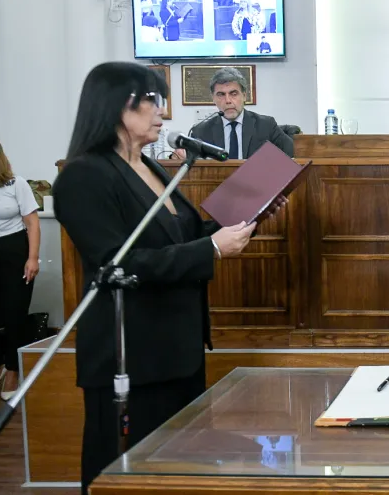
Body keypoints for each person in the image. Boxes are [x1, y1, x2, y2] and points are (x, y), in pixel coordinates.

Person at [52, 62, 282, 494]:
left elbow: (188, 236)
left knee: (179, 469)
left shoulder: (149, 166)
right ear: (117, 106)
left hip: (177, 348)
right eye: (152, 101)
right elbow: (117, 264)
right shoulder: (84, 175)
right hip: (132, 353)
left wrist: (256, 208)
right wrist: (212, 249)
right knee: (126, 474)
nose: (162, 111)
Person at [0, 131, 40, 401]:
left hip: (14, 252)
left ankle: (13, 370)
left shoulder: (15, 184)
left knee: (14, 313)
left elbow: (32, 223)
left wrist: (33, 258)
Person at [188, 67, 295, 159]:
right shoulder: (200, 132)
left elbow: (295, 155)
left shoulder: (266, 126)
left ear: (244, 96)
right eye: (221, 95)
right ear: (213, 98)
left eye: (233, 94)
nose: (228, 100)